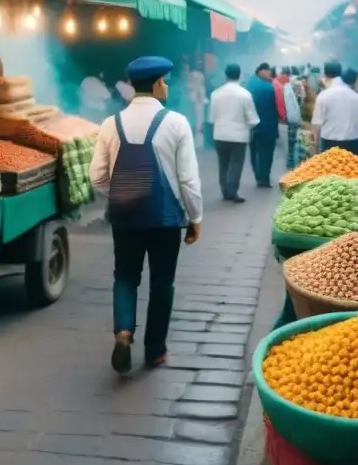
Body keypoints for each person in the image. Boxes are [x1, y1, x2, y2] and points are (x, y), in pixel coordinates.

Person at [89, 56, 202, 374]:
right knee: (162, 283)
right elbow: (188, 180)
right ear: (155, 84)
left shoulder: (111, 123)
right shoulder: (177, 122)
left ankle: (124, 332)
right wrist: (195, 218)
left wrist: (117, 196)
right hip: (165, 219)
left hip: (125, 217)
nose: (166, 86)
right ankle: (155, 350)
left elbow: (97, 175)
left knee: (125, 276)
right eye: (164, 81)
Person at [209, 64, 259, 203]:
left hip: (220, 134)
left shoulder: (215, 94)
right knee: (236, 164)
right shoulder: (245, 94)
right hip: (239, 136)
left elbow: (212, 117)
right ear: (239, 74)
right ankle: (233, 192)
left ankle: (225, 191)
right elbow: (253, 119)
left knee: (223, 164)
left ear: (225, 75)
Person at [312, 61, 358, 155]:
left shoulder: (324, 96)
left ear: (324, 75)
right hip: (353, 146)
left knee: (330, 169)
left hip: (329, 145)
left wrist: (315, 152)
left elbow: (316, 126)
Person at [246, 63, 279, 187]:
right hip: (268, 125)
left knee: (254, 151)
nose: (270, 74)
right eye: (268, 71)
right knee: (267, 152)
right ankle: (264, 177)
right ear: (261, 71)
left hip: (252, 126)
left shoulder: (248, 84)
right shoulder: (269, 87)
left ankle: (258, 175)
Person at [282, 68, 302, 169]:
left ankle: (290, 162)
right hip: (302, 118)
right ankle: (300, 163)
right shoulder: (302, 85)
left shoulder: (286, 87)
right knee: (302, 142)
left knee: (291, 141)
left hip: (291, 117)